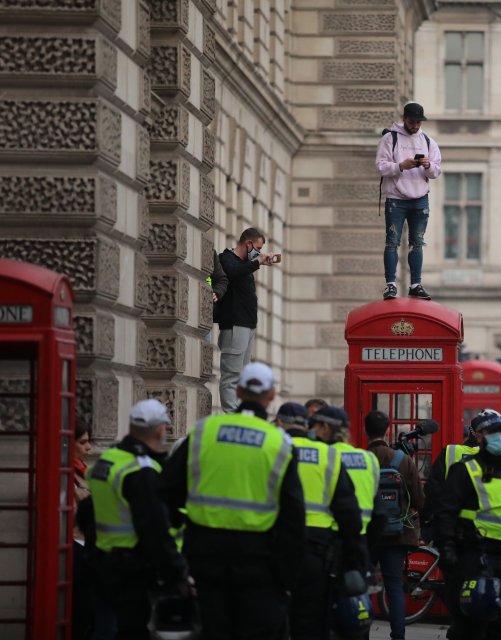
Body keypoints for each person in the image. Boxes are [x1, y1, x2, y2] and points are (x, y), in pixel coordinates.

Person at [158, 362, 306, 639]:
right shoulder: (279, 443)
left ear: (238, 390)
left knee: (213, 630)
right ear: (272, 395)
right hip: (257, 561)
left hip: (205, 555)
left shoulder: (205, 431)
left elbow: (165, 490)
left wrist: (184, 526)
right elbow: (293, 517)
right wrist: (287, 575)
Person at [83, 400, 187, 640]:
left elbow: (89, 511)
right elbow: (154, 530)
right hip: (132, 568)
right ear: (161, 429)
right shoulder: (141, 471)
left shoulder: (108, 460)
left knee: (104, 627)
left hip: (100, 561)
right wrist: (177, 574)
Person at [284, 406, 367, 640]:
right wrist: (356, 560)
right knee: (312, 622)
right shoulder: (327, 457)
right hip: (318, 550)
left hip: (278, 546)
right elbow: (348, 513)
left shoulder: (280, 449)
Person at [436, 409, 501, 640]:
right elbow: (446, 513)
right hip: (472, 557)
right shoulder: (465, 471)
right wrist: (448, 549)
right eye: (493, 433)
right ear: (479, 436)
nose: (499, 437)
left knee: (500, 628)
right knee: (470, 626)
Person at [364, 410, 425, 640]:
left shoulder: (360, 459)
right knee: (394, 587)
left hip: (368, 533)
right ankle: (398, 635)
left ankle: (362, 633)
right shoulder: (403, 460)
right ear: (388, 430)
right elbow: (419, 499)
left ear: (365, 430)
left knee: (363, 585)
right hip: (397, 533)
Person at [375, 102, 442, 301]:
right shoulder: (390, 138)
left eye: (418, 122)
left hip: (420, 199)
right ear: (404, 119)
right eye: (412, 121)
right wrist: (400, 166)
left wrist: (427, 165)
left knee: (417, 243)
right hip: (396, 198)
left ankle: (415, 284)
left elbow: (437, 171)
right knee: (392, 242)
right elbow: (380, 166)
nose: (415, 126)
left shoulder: (428, 142)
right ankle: (391, 285)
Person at [216, 227, 282, 412]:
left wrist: (256, 263)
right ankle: (231, 417)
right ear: (248, 243)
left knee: (242, 378)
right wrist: (257, 262)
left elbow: (241, 271)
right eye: (258, 248)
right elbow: (231, 272)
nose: (259, 252)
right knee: (231, 376)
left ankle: (240, 413)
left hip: (248, 326)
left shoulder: (245, 265)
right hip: (235, 325)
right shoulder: (226, 258)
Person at [314, 406, 387, 545]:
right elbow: (380, 513)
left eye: (314, 426)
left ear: (325, 428)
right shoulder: (368, 458)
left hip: (328, 537)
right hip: (362, 538)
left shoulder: (322, 456)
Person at [422, 418, 482, 538]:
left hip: (450, 522)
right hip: (484, 527)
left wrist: (426, 518)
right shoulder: (497, 457)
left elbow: (432, 487)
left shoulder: (450, 451)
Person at [72, 419, 95, 640]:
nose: (88, 448)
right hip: (74, 546)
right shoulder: (65, 475)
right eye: (82, 442)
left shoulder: (82, 472)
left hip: (84, 544)